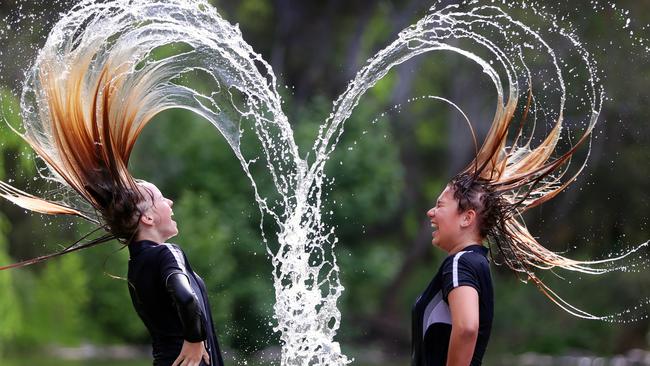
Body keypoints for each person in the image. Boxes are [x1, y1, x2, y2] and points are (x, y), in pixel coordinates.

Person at [127, 181, 224, 366]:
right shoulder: (166, 252)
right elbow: (186, 297)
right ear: (147, 217)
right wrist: (195, 339)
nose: (170, 202)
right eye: (162, 198)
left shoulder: (136, 265)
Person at [412, 175, 494, 366]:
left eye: (439, 206)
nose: (430, 212)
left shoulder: (460, 262)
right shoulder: (477, 261)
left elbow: (467, 328)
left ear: (467, 218)